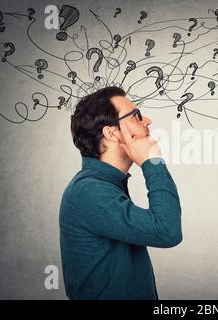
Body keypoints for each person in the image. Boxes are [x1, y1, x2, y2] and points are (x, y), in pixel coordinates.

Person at [59, 87, 182, 299]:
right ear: (111, 133)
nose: (147, 121)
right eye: (136, 116)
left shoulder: (105, 185)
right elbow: (167, 231)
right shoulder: (89, 191)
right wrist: (152, 161)